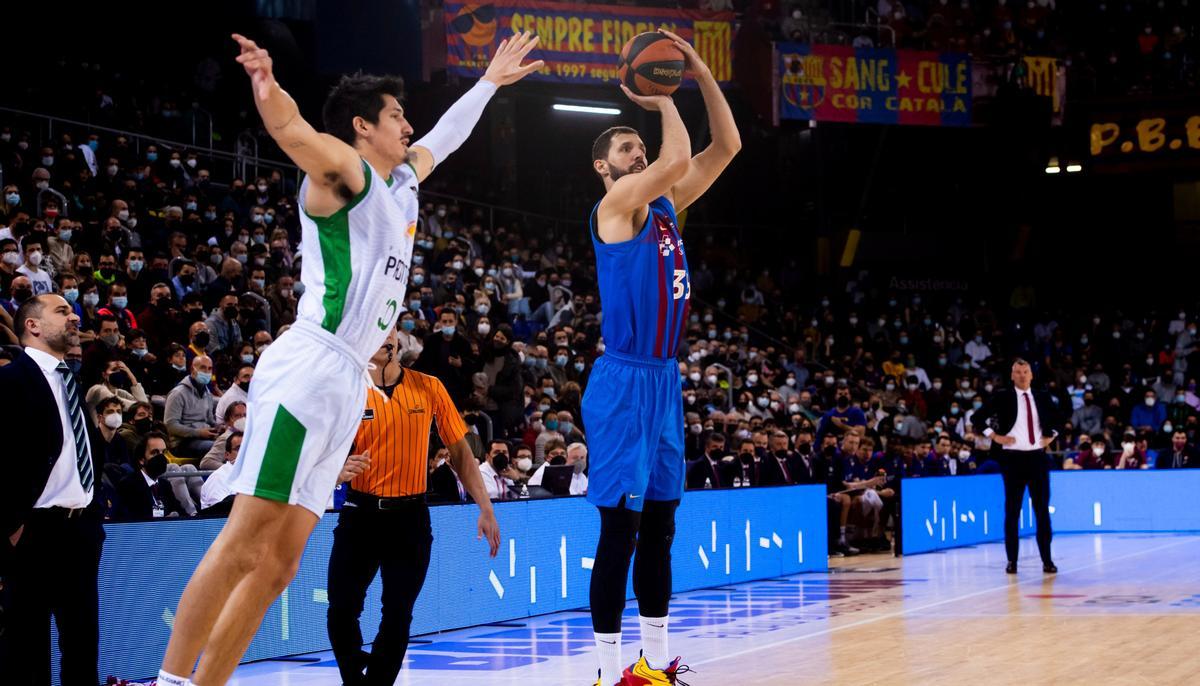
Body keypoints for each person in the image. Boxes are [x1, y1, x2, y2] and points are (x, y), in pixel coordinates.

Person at [158, 31, 543, 686]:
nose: (409, 124)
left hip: (347, 381)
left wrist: (488, 84)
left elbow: (442, 140)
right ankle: (167, 683)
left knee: (279, 565)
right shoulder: (343, 172)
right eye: (396, 115)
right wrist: (266, 85)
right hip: (310, 366)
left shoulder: (398, 181)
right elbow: (293, 130)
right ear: (364, 127)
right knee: (243, 542)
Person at [582, 28, 738, 686]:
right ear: (604, 167)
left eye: (639, 146)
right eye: (627, 148)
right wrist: (662, 97)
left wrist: (697, 68)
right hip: (623, 381)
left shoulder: (667, 205)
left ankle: (652, 666)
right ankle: (605, 672)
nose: (639, 151)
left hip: (665, 381)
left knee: (663, 526)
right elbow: (675, 158)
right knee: (620, 531)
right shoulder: (614, 206)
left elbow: (726, 146)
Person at [327, 328, 499, 686]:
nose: (383, 336)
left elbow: (460, 451)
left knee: (398, 614)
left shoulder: (429, 386)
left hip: (410, 518)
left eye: (389, 328)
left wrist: (485, 506)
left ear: (397, 340)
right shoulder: (346, 388)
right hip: (360, 513)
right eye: (374, 327)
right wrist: (335, 470)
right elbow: (316, 448)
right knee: (342, 609)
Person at [0, 295, 106, 685]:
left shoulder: (71, 379)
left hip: (80, 532)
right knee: (27, 650)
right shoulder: (10, 381)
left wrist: (96, 508)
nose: (74, 315)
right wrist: (10, 526)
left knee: (82, 648)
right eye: (62, 311)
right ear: (33, 326)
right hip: (33, 532)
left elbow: (85, 451)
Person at [971, 358, 1060, 575]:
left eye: (1025, 371)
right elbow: (977, 418)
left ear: (1031, 375)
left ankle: (1047, 561)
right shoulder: (1003, 396)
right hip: (1012, 460)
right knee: (1012, 511)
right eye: (1018, 372)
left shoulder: (1042, 396)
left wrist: (1052, 437)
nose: (1022, 375)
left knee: (1042, 511)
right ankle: (1012, 561)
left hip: (1038, 459)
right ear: (1012, 375)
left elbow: (1059, 418)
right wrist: (995, 436)